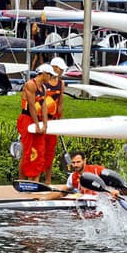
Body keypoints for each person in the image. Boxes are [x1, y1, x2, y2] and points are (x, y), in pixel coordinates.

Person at [17, 63, 58, 181]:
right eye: (50, 75)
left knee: (39, 150)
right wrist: (36, 123)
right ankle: (22, 180)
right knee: (27, 151)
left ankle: (34, 180)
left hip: (37, 119)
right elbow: (31, 106)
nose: (51, 78)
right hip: (27, 119)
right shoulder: (30, 84)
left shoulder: (43, 88)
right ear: (44, 73)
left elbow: (44, 106)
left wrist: (45, 124)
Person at [42, 57, 68, 185]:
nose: (62, 71)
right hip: (41, 120)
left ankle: (48, 180)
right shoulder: (43, 83)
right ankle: (32, 179)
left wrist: (60, 119)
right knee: (38, 150)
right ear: (55, 68)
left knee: (50, 153)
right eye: (61, 69)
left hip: (52, 121)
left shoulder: (61, 83)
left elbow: (61, 103)